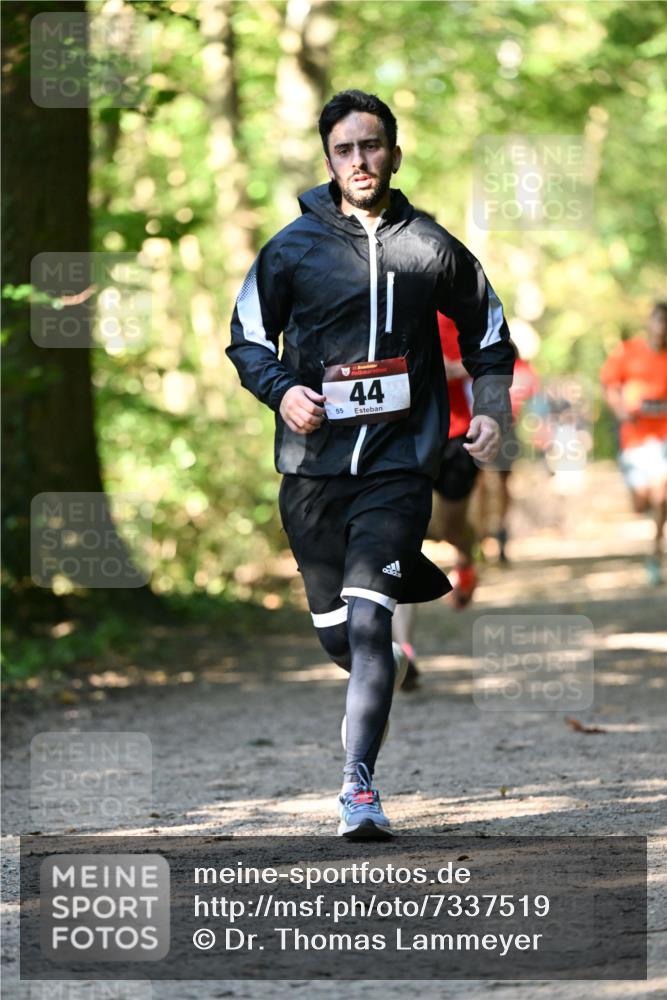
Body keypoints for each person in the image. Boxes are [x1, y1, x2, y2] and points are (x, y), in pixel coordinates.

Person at [227, 89, 513, 838]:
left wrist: (490, 410)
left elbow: (488, 330)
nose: (360, 160)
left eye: (372, 146)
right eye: (346, 150)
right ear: (328, 159)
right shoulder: (291, 248)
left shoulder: (431, 246)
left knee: (365, 626)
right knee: (339, 637)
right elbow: (248, 339)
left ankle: (358, 787)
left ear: (394, 150)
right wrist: (283, 391)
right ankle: (388, 597)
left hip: (397, 466)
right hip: (314, 475)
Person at [393, 313, 482, 691]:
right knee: (401, 540)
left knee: (450, 528)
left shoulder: (456, 310)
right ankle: (402, 652)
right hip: (402, 437)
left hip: (456, 434)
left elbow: (492, 354)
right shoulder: (382, 307)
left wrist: (438, 370)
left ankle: (465, 556)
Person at [600, 302, 667, 585]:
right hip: (634, 436)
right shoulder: (628, 351)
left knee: (661, 490)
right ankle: (651, 507)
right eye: (658, 321)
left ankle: (654, 553)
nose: (661, 328)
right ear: (650, 323)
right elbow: (609, 386)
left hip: (663, 436)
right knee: (641, 503)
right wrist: (620, 410)